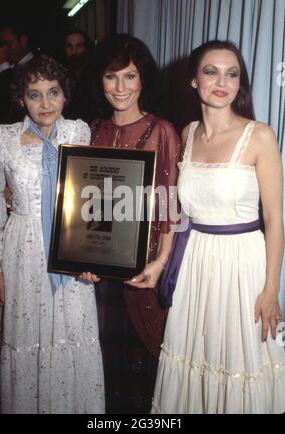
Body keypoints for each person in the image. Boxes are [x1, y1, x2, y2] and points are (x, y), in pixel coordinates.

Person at [151, 40, 285, 414]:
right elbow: (175, 208)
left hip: (243, 265)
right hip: (196, 265)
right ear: (194, 80)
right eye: (211, 72)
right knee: (197, 360)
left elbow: (275, 220)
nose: (221, 82)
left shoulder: (260, 136)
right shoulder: (188, 132)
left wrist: (271, 288)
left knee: (243, 363)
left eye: (232, 73)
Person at [0, 55, 105, 414]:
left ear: (65, 95)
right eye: (34, 95)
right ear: (21, 98)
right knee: (24, 342)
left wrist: (91, 256)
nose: (45, 103)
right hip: (21, 254)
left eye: (53, 92)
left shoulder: (79, 132)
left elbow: (91, 199)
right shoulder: (0, 139)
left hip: (69, 251)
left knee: (72, 338)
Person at [81, 33, 181, 413]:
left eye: (130, 76)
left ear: (143, 80)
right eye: (111, 76)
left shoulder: (162, 131)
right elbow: (79, 207)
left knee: (144, 377)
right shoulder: (91, 131)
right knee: (103, 375)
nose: (121, 87)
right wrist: (80, 261)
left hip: (144, 276)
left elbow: (171, 209)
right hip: (99, 279)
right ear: (100, 80)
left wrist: (159, 264)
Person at [0, 24, 33, 129]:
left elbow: (11, 100)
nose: (5, 49)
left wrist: (3, 65)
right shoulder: (3, 68)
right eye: (2, 45)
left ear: (23, 41)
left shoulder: (36, 66)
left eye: (9, 43)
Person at [62, 28, 95, 123]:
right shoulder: (61, 77)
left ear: (86, 48)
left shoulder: (96, 77)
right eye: (69, 46)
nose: (74, 51)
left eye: (79, 46)